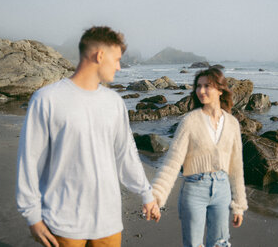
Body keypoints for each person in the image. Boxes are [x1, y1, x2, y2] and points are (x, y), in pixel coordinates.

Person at [16, 26, 160, 247]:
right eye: (117, 59)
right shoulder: (47, 99)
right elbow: (29, 159)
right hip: (63, 220)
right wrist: (32, 215)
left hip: (109, 221)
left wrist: (146, 194)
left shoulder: (114, 102)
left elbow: (126, 154)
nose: (119, 67)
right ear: (100, 55)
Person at [152, 68, 248, 247]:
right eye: (198, 86)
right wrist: (156, 196)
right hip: (194, 189)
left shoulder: (233, 124)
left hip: (222, 188)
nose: (201, 91)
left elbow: (236, 167)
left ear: (220, 90)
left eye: (207, 86)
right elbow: (173, 161)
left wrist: (239, 205)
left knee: (220, 243)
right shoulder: (189, 121)